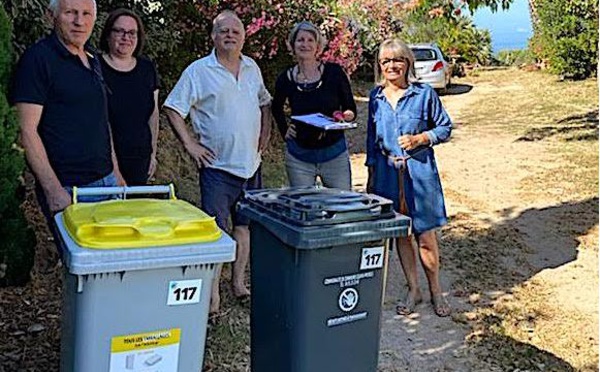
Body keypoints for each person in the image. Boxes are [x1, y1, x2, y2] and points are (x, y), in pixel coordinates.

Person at [163, 10, 272, 314]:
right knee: (216, 232)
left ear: (244, 36)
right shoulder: (199, 71)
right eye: (223, 31)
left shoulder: (252, 67)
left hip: (251, 164)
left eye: (236, 31)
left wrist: (266, 130)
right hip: (218, 169)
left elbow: (265, 102)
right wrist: (190, 144)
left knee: (244, 228)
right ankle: (213, 298)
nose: (230, 35)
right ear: (213, 36)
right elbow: (173, 108)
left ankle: (238, 284)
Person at [11, 0, 124, 246]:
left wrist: (116, 174)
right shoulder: (38, 60)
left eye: (86, 14)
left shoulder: (92, 58)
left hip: (107, 182)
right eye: (71, 13)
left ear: (95, 18)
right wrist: (53, 191)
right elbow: (26, 130)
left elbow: (100, 121)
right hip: (70, 188)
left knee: (112, 266)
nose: (79, 21)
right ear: (53, 15)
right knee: (84, 273)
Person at [365, 38, 452, 317]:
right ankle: (413, 289)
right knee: (401, 234)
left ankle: (436, 291)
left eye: (398, 59)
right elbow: (371, 140)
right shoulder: (375, 97)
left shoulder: (424, 94)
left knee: (425, 236)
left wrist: (421, 138)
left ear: (407, 63)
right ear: (380, 66)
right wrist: (371, 175)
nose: (392, 65)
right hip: (387, 175)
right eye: (386, 61)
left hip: (420, 174)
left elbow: (445, 127)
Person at [272, 21, 357, 189]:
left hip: (334, 154)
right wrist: (284, 130)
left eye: (310, 40)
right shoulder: (285, 78)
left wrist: (345, 117)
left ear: (318, 46)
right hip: (299, 157)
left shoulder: (334, 73)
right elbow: (276, 107)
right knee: (304, 209)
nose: (305, 44)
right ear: (293, 45)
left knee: (342, 206)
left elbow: (350, 108)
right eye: (300, 40)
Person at [99, 8, 159, 185]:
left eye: (132, 32)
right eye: (119, 31)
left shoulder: (147, 69)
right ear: (108, 35)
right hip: (104, 162)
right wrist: (114, 168)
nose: (126, 37)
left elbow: (153, 114)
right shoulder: (95, 67)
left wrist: (152, 154)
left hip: (139, 159)